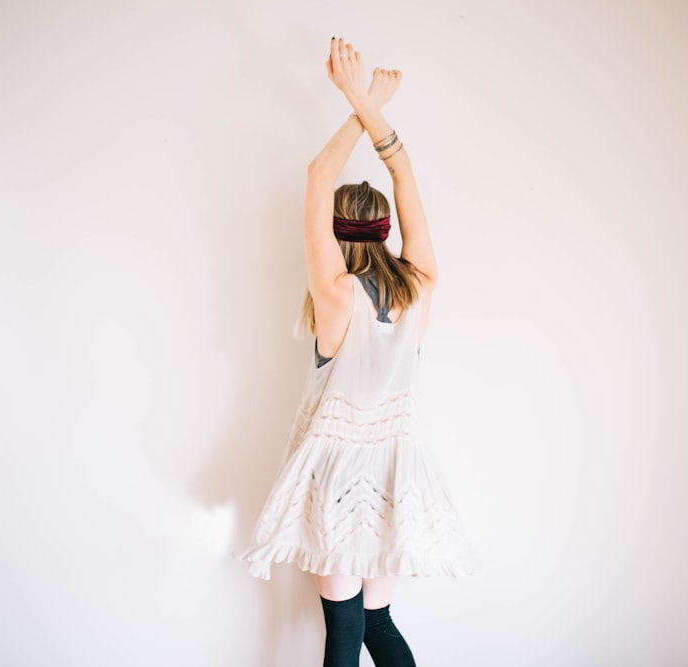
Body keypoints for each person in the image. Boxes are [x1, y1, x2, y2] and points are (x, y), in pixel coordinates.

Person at [238, 37, 475, 666]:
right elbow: (405, 175)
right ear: (387, 227)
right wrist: (371, 106)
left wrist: (356, 96)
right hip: (397, 476)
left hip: (340, 480)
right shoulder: (419, 284)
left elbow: (318, 175)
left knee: (344, 634)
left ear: (336, 235)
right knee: (379, 624)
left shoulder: (334, 293)